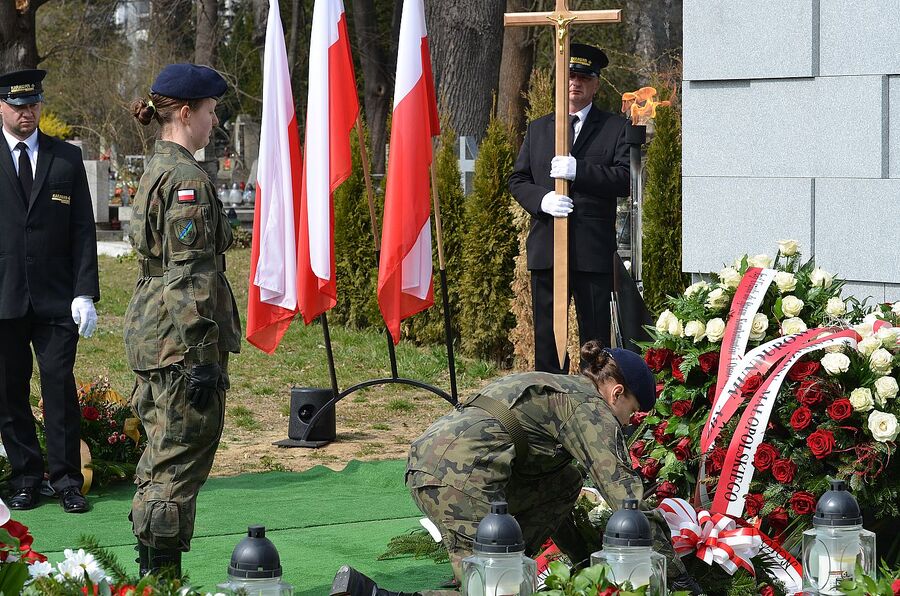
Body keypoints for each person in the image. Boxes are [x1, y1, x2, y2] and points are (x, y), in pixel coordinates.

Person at [332, 342, 702, 596]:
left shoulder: (560, 386)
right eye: (632, 412)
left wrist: (585, 565)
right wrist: (680, 583)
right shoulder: (592, 409)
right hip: (464, 478)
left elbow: (558, 499)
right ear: (616, 393)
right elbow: (629, 503)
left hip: (431, 462)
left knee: (565, 481)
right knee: (497, 586)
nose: (629, 423)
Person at [125, 63, 241, 576]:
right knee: (179, 456)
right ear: (187, 112)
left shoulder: (159, 167)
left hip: (155, 333)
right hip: (179, 340)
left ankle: (153, 568)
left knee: (162, 452)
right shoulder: (185, 178)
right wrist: (201, 354)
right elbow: (187, 274)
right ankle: (163, 578)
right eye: (211, 111)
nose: (214, 121)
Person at [0, 68, 99, 514]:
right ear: (0, 106)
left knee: (59, 387)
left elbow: (82, 230)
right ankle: (24, 476)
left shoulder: (65, 158)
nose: (28, 112)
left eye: (34, 103)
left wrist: (85, 292)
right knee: (8, 390)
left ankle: (65, 480)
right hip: (3, 298)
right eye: (18, 105)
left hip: (58, 298)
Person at [509, 43, 630, 374]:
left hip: (591, 251)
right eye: (569, 76)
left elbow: (623, 180)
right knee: (549, 339)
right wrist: (542, 200)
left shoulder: (613, 127)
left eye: (583, 77)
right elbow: (518, 179)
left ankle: (595, 407)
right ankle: (550, 406)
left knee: (595, 341)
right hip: (548, 247)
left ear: (595, 84)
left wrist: (580, 170)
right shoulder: (538, 129)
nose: (575, 83)